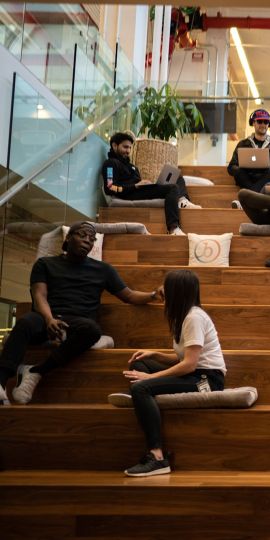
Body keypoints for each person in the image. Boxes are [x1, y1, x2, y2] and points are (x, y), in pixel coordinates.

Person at [0, 222, 163, 405]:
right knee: (25, 323)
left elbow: (129, 295)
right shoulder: (45, 264)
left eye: (92, 239)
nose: (88, 241)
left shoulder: (103, 270)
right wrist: (49, 319)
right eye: (82, 235)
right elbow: (39, 295)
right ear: (68, 238)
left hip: (77, 324)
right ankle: (1, 382)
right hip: (46, 318)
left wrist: (152, 295)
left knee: (92, 330)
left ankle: (37, 371)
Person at [121, 269, 226, 477]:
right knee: (141, 364)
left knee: (142, 387)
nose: (162, 291)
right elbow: (181, 358)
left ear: (176, 292)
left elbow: (189, 365)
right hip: (195, 372)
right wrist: (155, 354)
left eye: (166, 287)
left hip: (207, 379)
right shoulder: (184, 315)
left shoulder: (194, 317)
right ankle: (144, 398)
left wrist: (150, 379)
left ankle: (157, 457)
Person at [102, 131, 201, 236]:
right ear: (114, 145)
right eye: (125, 147)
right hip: (130, 194)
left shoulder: (132, 166)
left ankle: (182, 200)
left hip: (140, 190)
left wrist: (145, 184)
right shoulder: (110, 164)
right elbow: (110, 187)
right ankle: (173, 228)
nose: (128, 151)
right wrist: (134, 186)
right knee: (172, 188)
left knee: (175, 175)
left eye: (130, 148)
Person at [227, 108, 270, 201]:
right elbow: (231, 167)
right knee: (239, 173)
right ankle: (256, 198)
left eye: (266, 122)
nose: (263, 124)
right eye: (259, 121)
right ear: (253, 123)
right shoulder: (243, 144)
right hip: (248, 177)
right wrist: (243, 167)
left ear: (269, 124)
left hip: (267, 177)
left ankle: (248, 200)